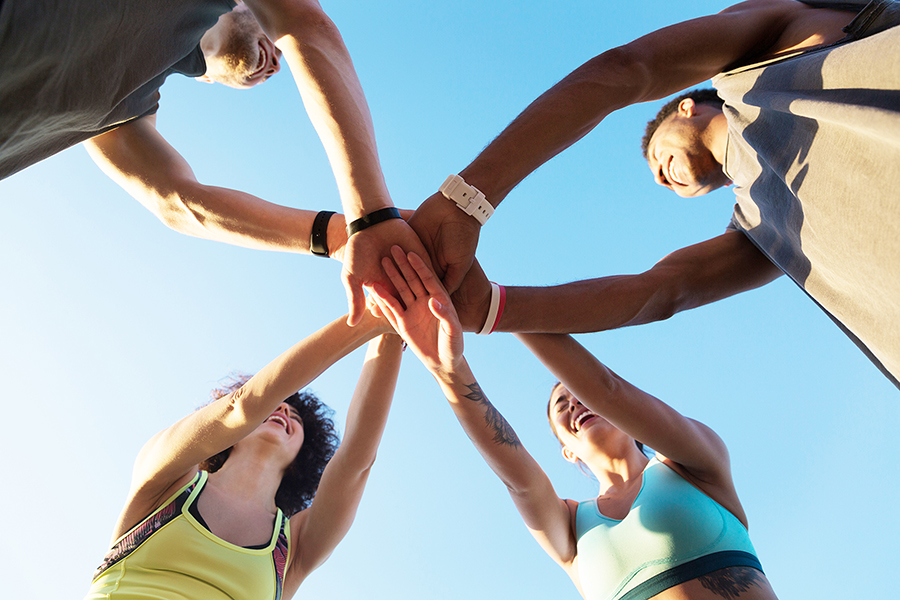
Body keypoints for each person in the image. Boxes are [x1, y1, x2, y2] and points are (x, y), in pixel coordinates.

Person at [410, 0, 900, 387]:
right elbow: (660, 291)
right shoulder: (762, 227)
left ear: (687, 106)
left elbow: (628, 69)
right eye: (658, 180)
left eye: (656, 155)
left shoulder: (757, 60)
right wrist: (492, 309)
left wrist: (465, 200)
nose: (660, 176)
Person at [370, 247, 779, 600]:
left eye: (576, 393)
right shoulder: (572, 529)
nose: (575, 402)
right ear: (566, 448)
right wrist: (449, 371)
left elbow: (607, 390)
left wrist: (492, 308)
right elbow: (519, 479)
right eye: (561, 404)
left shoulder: (694, 464)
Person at [0, 0, 427, 324]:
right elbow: (304, 25)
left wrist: (339, 237)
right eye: (275, 38)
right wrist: (371, 215)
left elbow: (180, 203)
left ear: (208, 80)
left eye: (278, 57)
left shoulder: (124, 110)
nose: (277, 61)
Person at [84, 309, 402, 598]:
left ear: (303, 456)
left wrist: (393, 329)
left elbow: (356, 463)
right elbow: (240, 408)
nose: (283, 411)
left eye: (296, 417)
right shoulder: (167, 480)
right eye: (275, 405)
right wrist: (375, 315)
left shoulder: (291, 547)